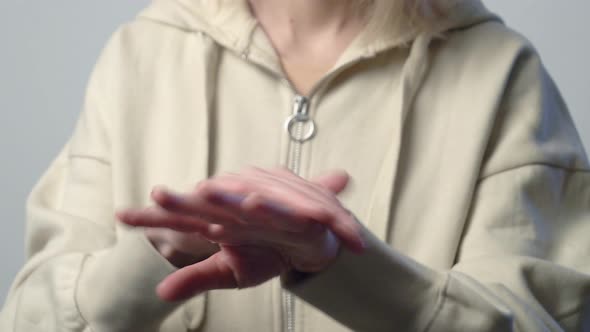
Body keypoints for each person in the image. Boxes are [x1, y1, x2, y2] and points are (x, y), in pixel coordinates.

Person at [1, 0, 589, 330]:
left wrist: (360, 274)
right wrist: (154, 253)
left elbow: (549, 323)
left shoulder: (501, 72)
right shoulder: (139, 56)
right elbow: (32, 320)